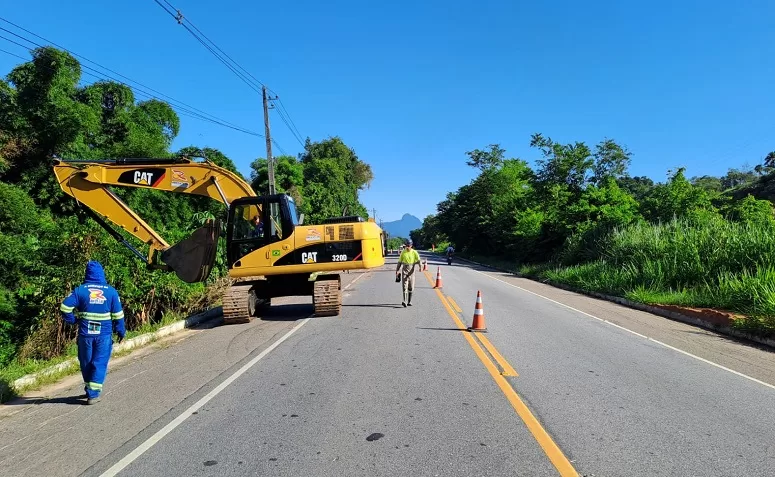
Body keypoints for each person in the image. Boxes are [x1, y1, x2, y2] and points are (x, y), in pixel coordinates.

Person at [60, 260, 125, 405]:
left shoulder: (80, 290)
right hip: (104, 335)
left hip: (85, 335)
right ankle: (93, 394)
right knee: (99, 362)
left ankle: (90, 389)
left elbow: (65, 307)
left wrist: (73, 320)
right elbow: (118, 315)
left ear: (87, 274)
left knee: (86, 362)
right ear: (101, 274)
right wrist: (120, 331)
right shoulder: (111, 291)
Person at [395, 239, 422, 307]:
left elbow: (419, 260)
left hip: (412, 271)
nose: (407, 247)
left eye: (409, 245)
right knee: (404, 286)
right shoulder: (403, 252)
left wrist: (420, 267)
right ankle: (404, 301)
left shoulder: (414, 252)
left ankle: (409, 301)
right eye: (407, 245)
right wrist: (397, 270)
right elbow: (400, 262)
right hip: (404, 270)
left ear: (411, 245)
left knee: (411, 287)